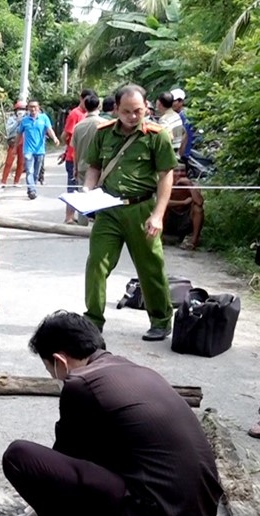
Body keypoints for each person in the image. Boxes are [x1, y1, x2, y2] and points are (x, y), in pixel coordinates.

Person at [2, 311, 223, 516]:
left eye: (49, 369)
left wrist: (44, 509)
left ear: (59, 361)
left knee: (20, 457)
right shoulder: (137, 371)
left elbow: (62, 465)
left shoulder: (81, 383)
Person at [80, 84, 178, 341]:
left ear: (146, 107)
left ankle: (160, 319)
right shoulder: (103, 133)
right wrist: (87, 189)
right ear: (115, 109)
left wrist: (157, 215)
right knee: (97, 264)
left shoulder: (157, 136)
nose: (133, 116)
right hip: (108, 209)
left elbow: (166, 175)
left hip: (141, 209)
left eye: (138, 111)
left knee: (150, 267)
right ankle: (93, 321)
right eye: (127, 111)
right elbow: (94, 166)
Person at [65, 93, 102, 224]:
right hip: (100, 167)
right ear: (99, 106)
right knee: (100, 194)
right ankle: (99, 223)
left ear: (85, 107)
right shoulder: (104, 125)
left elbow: (74, 149)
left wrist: (75, 167)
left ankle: (82, 222)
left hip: (81, 165)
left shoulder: (78, 126)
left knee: (83, 193)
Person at [18, 100, 59, 200]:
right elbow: (18, 134)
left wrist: (55, 138)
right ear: (28, 108)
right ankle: (32, 190)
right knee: (29, 171)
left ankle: (32, 187)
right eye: (31, 107)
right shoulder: (24, 121)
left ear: (38, 108)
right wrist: (15, 146)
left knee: (36, 172)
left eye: (35, 107)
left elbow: (49, 129)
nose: (33, 109)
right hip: (28, 150)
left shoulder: (44, 118)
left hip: (40, 150)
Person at [61, 89, 96, 193]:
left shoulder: (88, 114)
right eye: (86, 100)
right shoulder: (75, 114)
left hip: (86, 158)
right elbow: (64, 136)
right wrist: (70, 148)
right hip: (73, 158)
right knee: (73, 192)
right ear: (81, 99)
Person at [163, 166, 204, 250]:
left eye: (182, 171)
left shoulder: (192, 184)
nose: (179, 173)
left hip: (185, 220)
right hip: (169, 220)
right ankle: (158, 237)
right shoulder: (165, 183)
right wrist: (183, 202)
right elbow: (161, 201)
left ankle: (193, 241)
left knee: (198, 209)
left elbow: (199, 202)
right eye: (176, 171)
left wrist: (189, 185)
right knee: (162, 208)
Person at [0, 101, 26, 187]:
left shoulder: (26, 119)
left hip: (23, 142)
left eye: (22, 109)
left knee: (21, 162)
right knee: (9, 162)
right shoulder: (11, 119)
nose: (21, 111)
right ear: (15, 110)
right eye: (19, 109)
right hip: (13, 141)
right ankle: (3, 181)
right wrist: (17, 122)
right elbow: (8, 130)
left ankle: (17, 181)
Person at [171, 88, 195, 161]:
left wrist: (180, 155)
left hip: (187, 154)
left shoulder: (184, 115)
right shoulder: (176, 115)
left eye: (173, 101)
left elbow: (185, 136)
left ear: (181, 102)